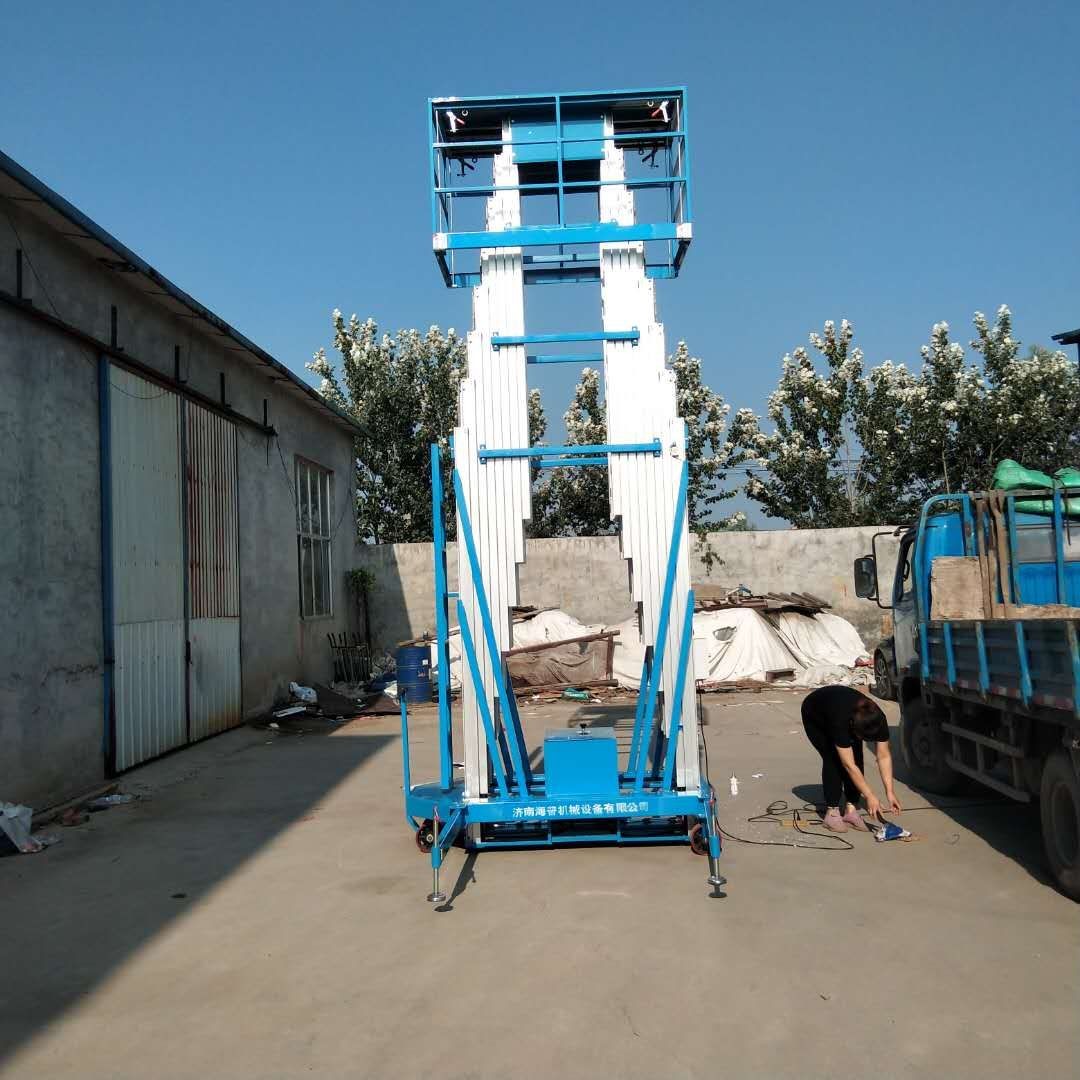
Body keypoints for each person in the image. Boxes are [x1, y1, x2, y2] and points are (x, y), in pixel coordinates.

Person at [801, 684, 902, 832]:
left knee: (857, 754)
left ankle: (851, 809)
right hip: (815, 712)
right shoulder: (840, 721)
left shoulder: (879, 719)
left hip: (843, 707)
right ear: (852, 726)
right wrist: (869, 795)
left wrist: (890, 792)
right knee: (834, 758)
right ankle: (832, 812)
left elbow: (884, 756)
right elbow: (849, 765)